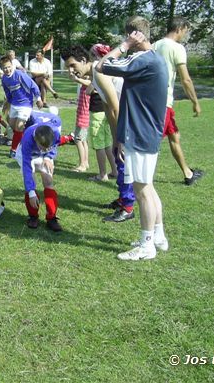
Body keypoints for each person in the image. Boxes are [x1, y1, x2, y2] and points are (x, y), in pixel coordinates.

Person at [95, 16, 169, 261]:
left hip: (139, 133)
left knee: (142, 190)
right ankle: (157, 235)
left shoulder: (142, 59)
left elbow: (102, 66)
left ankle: (147, 245)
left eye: (128, 36)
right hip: (148, 131)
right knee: (148, 186)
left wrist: (124, 45)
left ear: (135, 35)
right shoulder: (156, 59)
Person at [62, 44, 135, 221]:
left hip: (130, 118)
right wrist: (115, 136)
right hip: (121, 120)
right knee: (118, 157)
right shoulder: (94, 75)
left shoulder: (99, 72)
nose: (71, 70)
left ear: (84, 60)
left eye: (73, 65)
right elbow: (107, 107)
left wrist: (121, 139)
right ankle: (122, 199)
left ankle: (127, 207)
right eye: (67, 68)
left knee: (125, 163)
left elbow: (116, 108)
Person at [153, 17, 204, 185]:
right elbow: (186, 80)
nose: (185, 35)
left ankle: (188, 174)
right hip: (162, 102)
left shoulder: (154, 45)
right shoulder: (177, 48)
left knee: (175, 136)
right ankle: (140, 181)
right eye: (185, 31)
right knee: (152, 144)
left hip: (156, 101)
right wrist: (195, 102)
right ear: (179, 28)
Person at [16, 122, 63, 232]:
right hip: (28, 155)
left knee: (48, 181)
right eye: (42, 147)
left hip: (45, 155)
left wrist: (48, 156)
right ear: (36, 140)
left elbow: (55, 144)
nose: (44, 149)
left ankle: (51, 217)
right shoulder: (27, 139)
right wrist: (31, 192)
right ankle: (33, 216)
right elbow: (27, 167)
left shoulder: (55, 132)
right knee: (31, 180)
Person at [0, 55, 43, 158]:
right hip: (14, 104)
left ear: (12, 65)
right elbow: (8, 92)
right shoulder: (4, 79)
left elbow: (33, 85)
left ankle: (14, 150)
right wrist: (8, 103)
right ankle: (28, 143)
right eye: (5, 68)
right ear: (2, 68)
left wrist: (39, 99)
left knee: (19, 126)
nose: (7, 69)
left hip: (26, 104)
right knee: (13, 126)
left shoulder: (19, 75)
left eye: (9, 66)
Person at [88, 89, 118, 181]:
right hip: (106, 111)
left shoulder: (97, 77)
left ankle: (102, 174)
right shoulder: (108, 75)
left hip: (97, 112)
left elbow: (88, 91)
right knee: (107, 143)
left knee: (99, 145)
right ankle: (115, 171)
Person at [67, 59, 91, 172]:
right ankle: (85, 162)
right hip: (82, 114)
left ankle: (82, 165)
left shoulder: (89, 81)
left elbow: (89, 82)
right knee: (84, 140)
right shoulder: (84, 82)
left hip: (84, 115)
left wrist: (77, 79)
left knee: (78, 139)